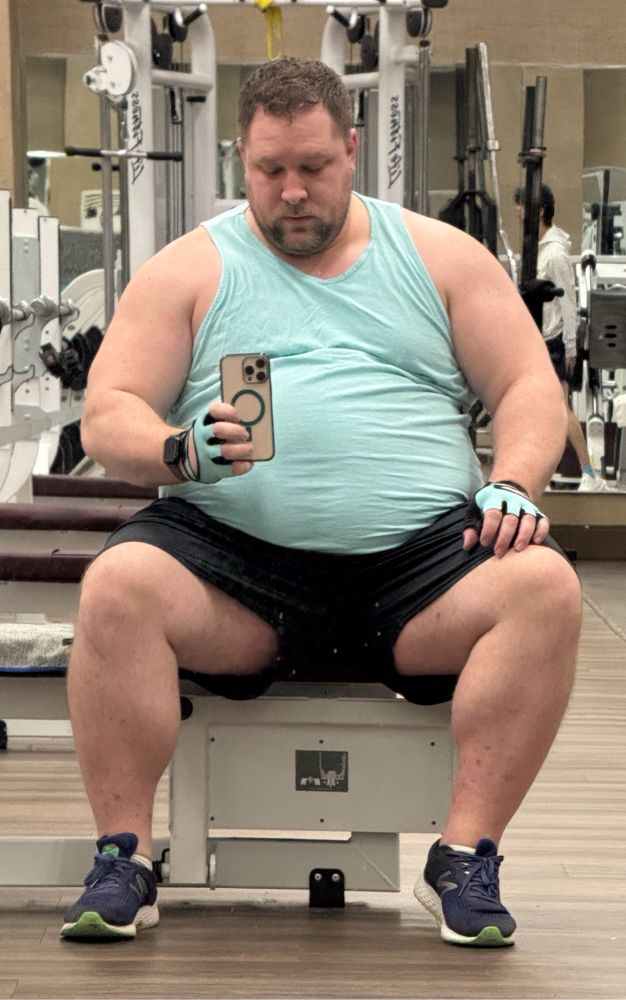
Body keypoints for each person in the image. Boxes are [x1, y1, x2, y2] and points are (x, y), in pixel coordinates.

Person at [62, 57, 582, 947]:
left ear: (352, 149)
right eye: (271, 170)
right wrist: (177, 450)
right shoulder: (191, 269)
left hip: (420, 573)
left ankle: (465, 857)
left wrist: (514, 481)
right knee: (117, 586)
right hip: (234, 570)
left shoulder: (439, 257)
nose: (293, 191)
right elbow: (108, 411)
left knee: (545, 589)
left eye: (313, 166)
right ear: (241, 158)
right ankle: (125, 857)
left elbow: (529, 384)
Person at [514, 184, 610, 492]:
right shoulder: (538, 248)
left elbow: (568, 302)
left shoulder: (554, 254)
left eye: (523, 206)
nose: (519, 212)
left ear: (540, 210)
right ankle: (548, 473)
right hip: (538, 339)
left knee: (560, 410)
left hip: (553, 342)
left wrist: (570, 347)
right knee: (545, 410)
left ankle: (590, 475)